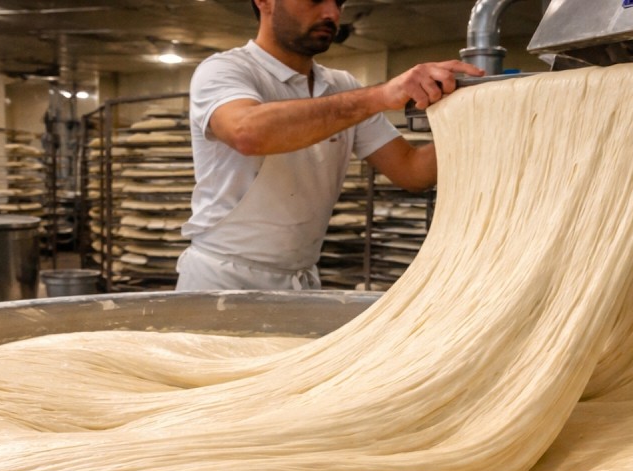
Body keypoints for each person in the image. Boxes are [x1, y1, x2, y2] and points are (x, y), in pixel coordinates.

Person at [175, 0, 484, 291]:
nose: (332, 13)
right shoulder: (226, 70)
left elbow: (411, 169)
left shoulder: (341, 86)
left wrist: (485, 126)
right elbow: (247, 132)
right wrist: (379, 96)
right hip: (222, 278)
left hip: (301, 280)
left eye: (338, 1)